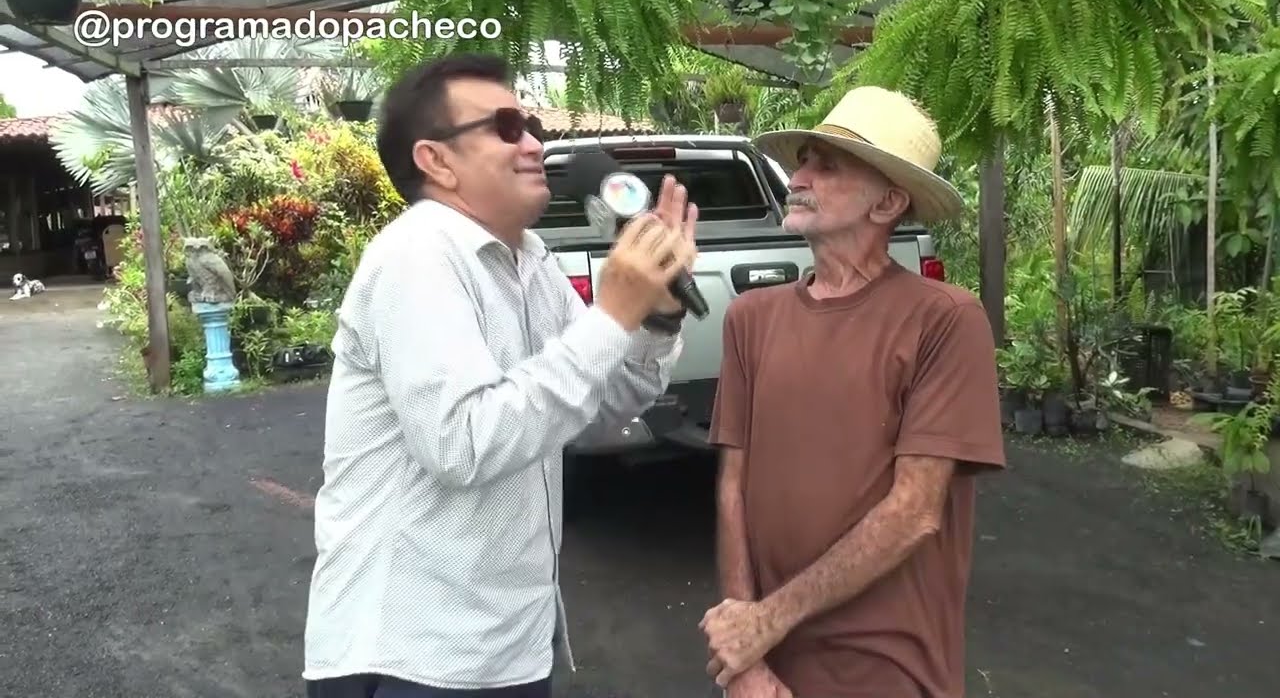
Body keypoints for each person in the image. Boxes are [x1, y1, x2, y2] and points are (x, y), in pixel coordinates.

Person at [302, 53, 700, 698]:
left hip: (504, 642)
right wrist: (612, 313)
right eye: (507, 126)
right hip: (418, 651)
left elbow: (602, 403)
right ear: (436, 160)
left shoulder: (530, 261)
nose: (535, 143)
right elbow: (464, 445)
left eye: (532, 123)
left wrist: (654, 319)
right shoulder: (418, 255)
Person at [699, 86, 1006, 698]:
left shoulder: (944, 319)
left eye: (827, 165)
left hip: (887, 666)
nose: (800, 176)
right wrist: (743, 654)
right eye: (802, 160)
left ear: (889, 201)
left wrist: (765, 622)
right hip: (765, 660)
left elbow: (915, 512)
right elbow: (734, 484)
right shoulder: (751, 318)